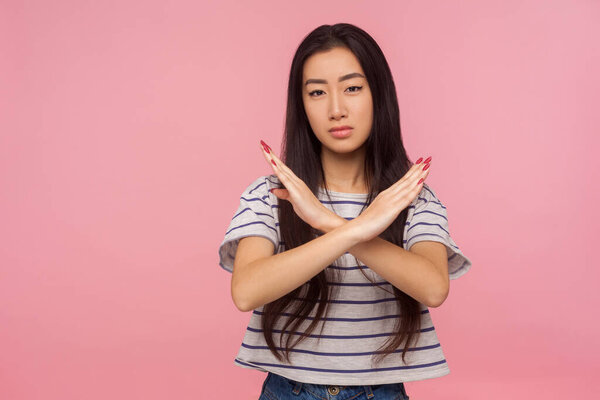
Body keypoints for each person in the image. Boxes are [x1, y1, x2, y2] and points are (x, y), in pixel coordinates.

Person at [218, 23, 472, 400]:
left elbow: (433, 288)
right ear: (301, 105)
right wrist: (355, 230)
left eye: (352, 88)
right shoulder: (273, 194)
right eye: (317, 92)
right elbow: (246, 292)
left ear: (378, 95)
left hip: (380, 393)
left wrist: (327, 223)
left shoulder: (409, 197)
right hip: (288, 391)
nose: (336, 109)